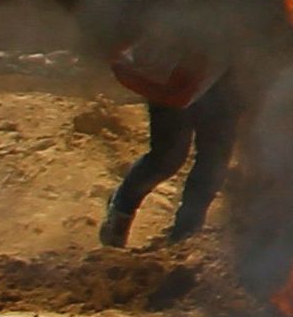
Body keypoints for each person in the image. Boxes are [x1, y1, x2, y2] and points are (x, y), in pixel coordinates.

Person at [99, 44, 242, 248]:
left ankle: (185, 234)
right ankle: (121, 210)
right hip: (169, 73)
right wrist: (126, 73)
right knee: (168, 156)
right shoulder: (149, 58)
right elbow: (177, 97)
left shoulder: (207, 47)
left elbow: (179, 95)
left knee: (213, 160)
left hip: (218, 75)